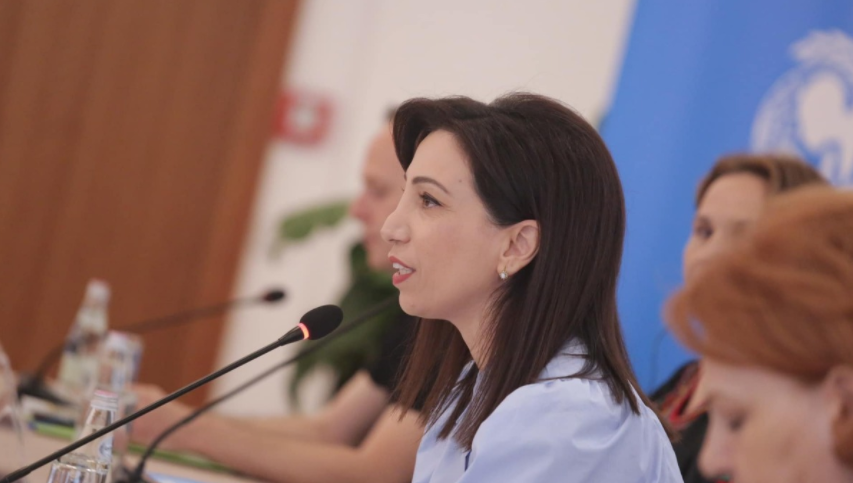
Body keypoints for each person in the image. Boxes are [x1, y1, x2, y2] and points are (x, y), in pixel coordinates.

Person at [380, 93, 680, 482]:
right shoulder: (478, 389)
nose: (390, 228)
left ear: (517, 246)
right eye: (405, 193)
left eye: (428, 201)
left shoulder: (568, 421)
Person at [132, 119, 423, 483]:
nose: (356, 210)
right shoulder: (414, 315)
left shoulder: (450, 325)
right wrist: (174, 421)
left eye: (377, 191)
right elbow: (328, 430)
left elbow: (376, 473)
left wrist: (183, 429)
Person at [651, 154, 827, 483]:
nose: (710, 255)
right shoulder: (682, 382)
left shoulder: (799, 414)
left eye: (745, 236)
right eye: (704, 231)